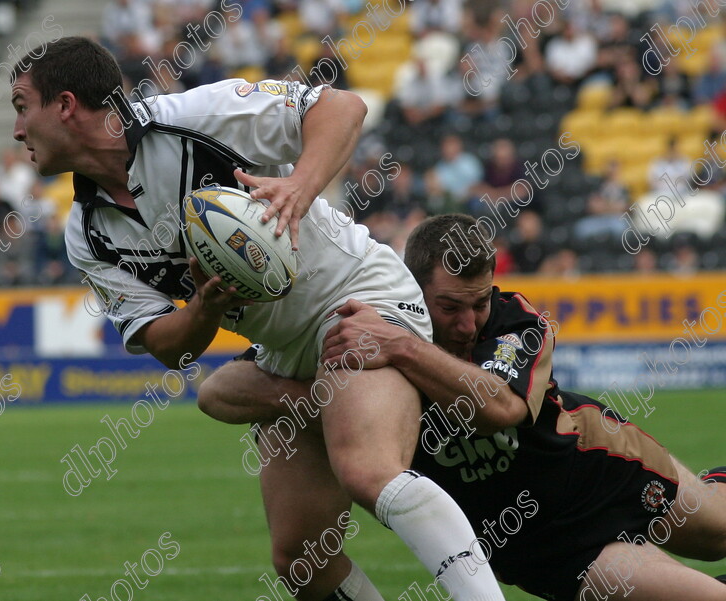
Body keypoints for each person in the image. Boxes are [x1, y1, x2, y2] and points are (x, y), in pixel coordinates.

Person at [10, 37, 504, 601]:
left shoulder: (194, 116)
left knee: (367, 468)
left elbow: (343, 107)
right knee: (300, 558)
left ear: (66, 104)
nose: (19, 129)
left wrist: (299, 186)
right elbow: (170, 347)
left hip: (357, 296)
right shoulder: (86, 235)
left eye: (23, 106)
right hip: (282, 348)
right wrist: (205, 309)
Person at [199, 214, 726, 601]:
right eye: (449, 307)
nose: (469, 324)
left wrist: (403, 347)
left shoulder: (514, 322)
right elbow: (216, 391)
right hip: (547, 552)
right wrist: (322, 401)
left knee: (718, 532)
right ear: (410, 291)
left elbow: (499, 407)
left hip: (602, 471)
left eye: (478, 303)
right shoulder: (362, 326)